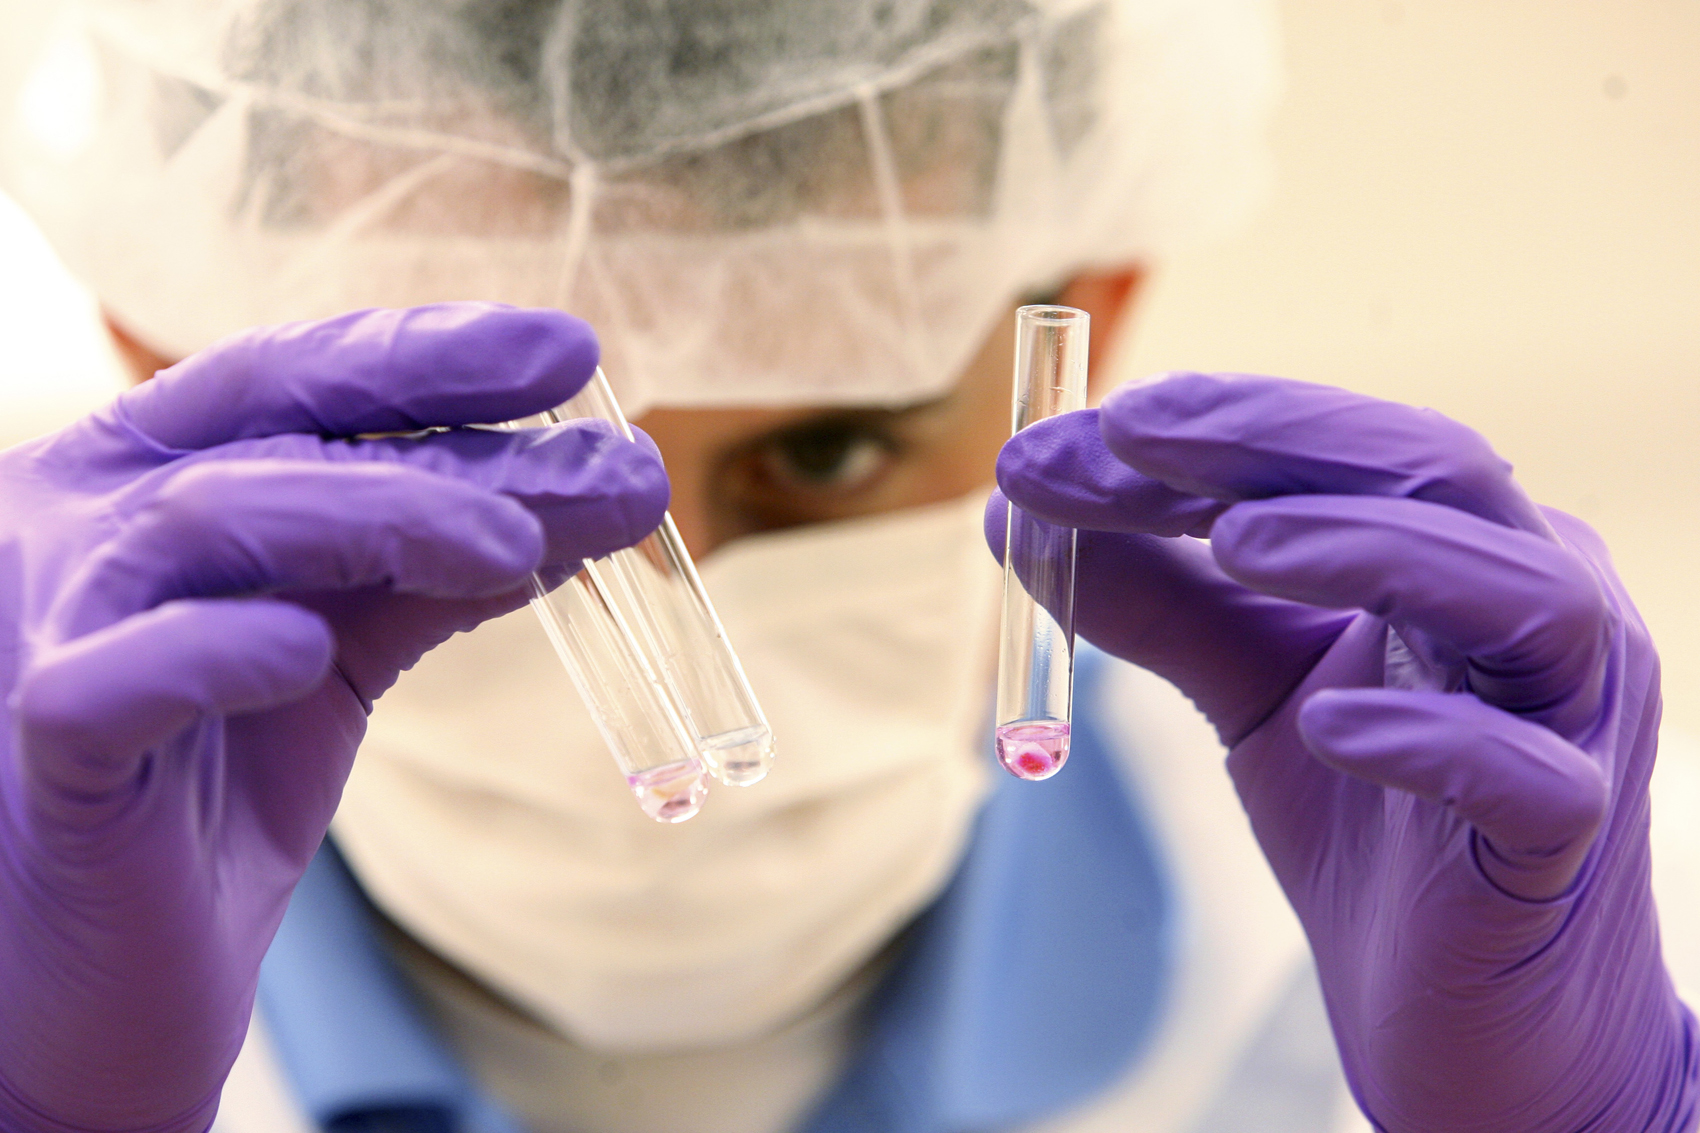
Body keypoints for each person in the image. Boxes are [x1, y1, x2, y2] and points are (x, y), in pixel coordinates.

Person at [0, 3, 1694, 1133]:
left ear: (1077, 332)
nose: (678, 620)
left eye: (825, 452)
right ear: (174, 379)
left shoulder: (1500, 908)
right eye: (467, 459)